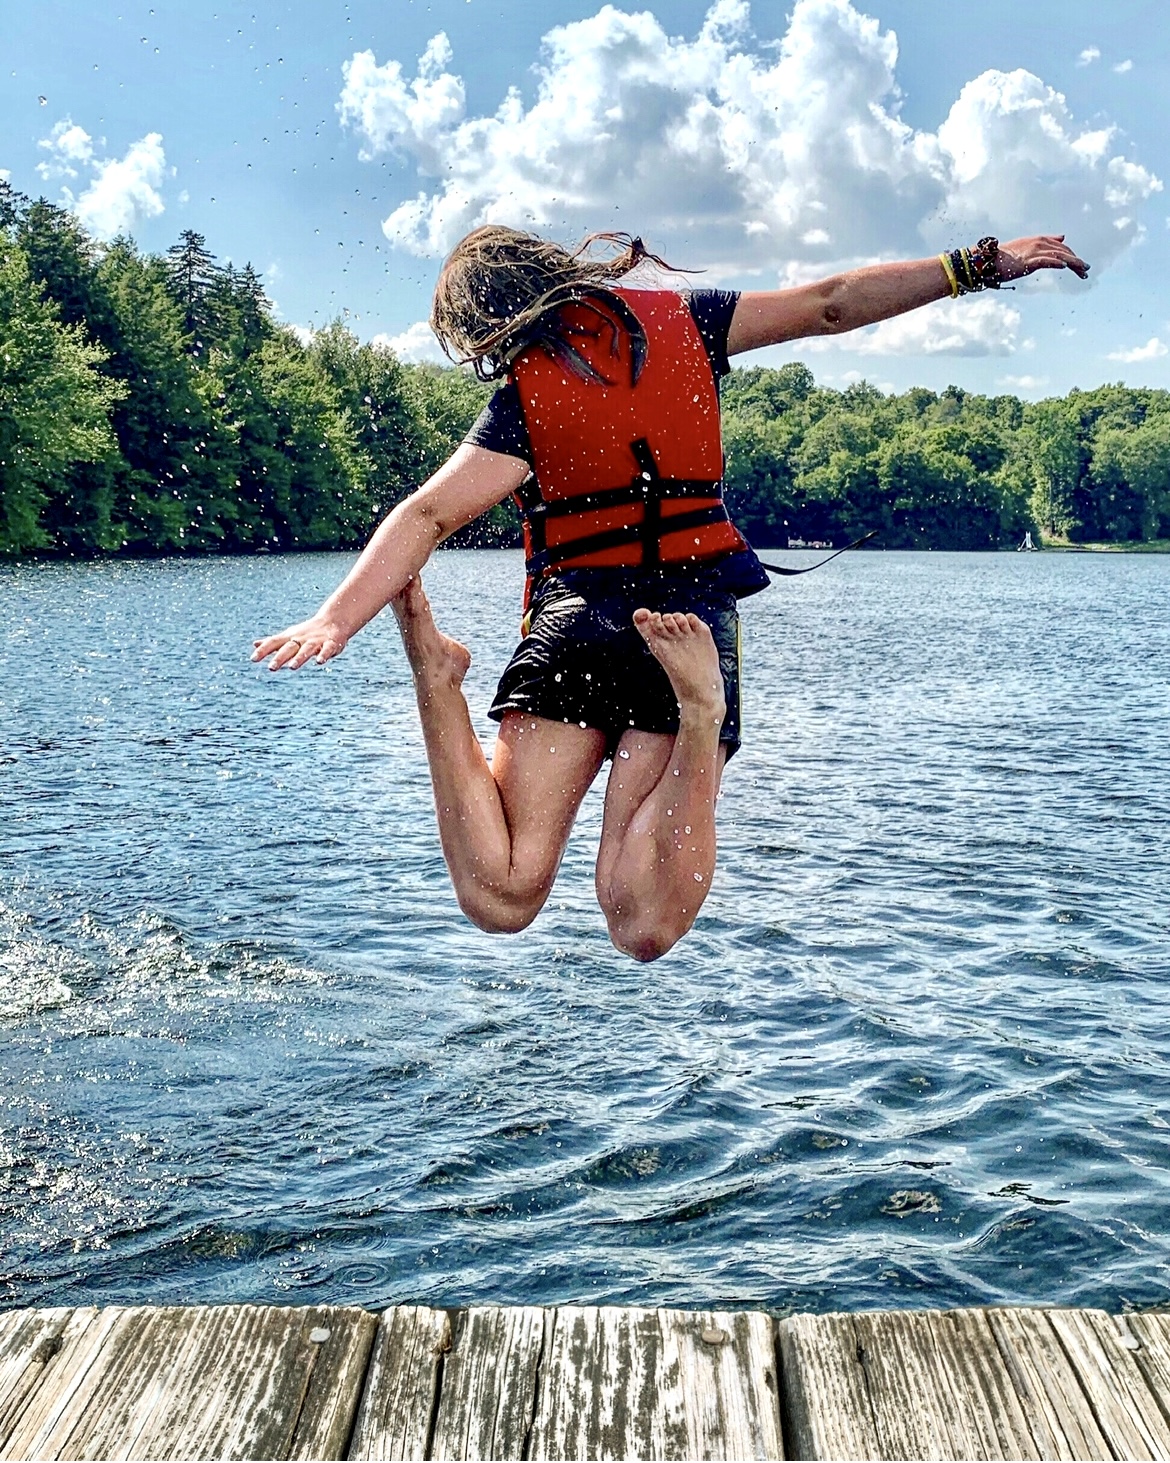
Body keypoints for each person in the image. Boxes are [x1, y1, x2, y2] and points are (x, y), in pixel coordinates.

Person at [252, 227, 1088, 961]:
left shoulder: (523, 400)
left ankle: (437, 682)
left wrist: (336, 617)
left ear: (489, 327)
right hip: (684, 628)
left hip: (577, 628)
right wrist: (974, 265)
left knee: (500, 898)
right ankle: (700, 713)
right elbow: (831, 303)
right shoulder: (691, 322)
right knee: (642, 925)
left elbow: (426, 513)